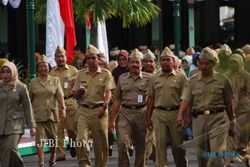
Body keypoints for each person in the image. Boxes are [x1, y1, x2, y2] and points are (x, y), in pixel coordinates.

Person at [176, 47, 236, 167]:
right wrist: (180, 115)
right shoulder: (192, 81)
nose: (202, 66)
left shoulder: (223, 80)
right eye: (200, 63)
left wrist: (232, 120)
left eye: (206, 64)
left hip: (218, 119)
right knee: (202, 158)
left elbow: (228, 103)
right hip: (199, 120)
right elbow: (186, 99)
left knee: (216, 155)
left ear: (213, 64)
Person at [72, 44, 115, 167]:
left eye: (94, 58)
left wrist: (105, 106)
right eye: (89, 58)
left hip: (100, 110)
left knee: (101, 144)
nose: (91, 60)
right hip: (84, 111)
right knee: (81, 140)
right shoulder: (80, 74)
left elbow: (108, 92)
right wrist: (79, 93)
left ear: (98, 59)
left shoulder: (106, 74)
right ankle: (84, 164)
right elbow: (75, 95)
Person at [147, 47, 188, 167]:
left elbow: (185, 98)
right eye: (163, 60)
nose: (165, 62)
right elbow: (150, 98)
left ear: (173, 61)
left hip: (175, 113)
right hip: (158, 113)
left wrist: (185, 116)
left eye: (168, 60)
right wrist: (148, 117)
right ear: (160, 61)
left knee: (177, 146)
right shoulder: (154, 78)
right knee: (160, 145)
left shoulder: (181, 77)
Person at [110, 49, 152, 167]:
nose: (135, 65)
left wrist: (150, 117)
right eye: (132, 62)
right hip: (125, 114)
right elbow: (117, 100)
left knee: (141, 145)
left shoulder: (149, 78)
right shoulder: (122, 78)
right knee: (122, 142)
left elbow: (152, 99)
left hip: (141, 113)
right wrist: (113, 119)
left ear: (141, 64)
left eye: (137, 62)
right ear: (129, 63)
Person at [29, 55, 66, 167]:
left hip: (52, 114)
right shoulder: (33, 82)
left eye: (45, 66)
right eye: (41, 66)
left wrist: (63, 108)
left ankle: (53, 155)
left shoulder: (55, 80)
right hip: (38, 115)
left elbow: (59, 96)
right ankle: (41, 161)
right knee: (39, 140)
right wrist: (29, 117)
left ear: (49, 68)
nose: (43, 68)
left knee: (53, 139)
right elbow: (29, 99)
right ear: (38, 68)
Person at [0, 61, 36, 167]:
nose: (6, 75)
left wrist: (32, 126)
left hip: (15, 125)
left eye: (8, 72)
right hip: (1, 124)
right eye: (3, 72)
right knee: (3, 151)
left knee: (11, 149)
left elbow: (27, 107)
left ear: (14, 72)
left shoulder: (21, 87)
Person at [49, 46, 78, 161]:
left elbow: (79, 86)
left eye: (62, 56)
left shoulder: (73, 70)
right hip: (56, 103)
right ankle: (60, 154)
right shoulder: (51, 72)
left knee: (72, 128)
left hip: (70, 101)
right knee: (58, 130)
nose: (60, 59)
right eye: (58, 57)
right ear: (55, 59)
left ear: (66, 57)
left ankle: (73, 144)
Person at [226, 54, 250, 166]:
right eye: (231, 62)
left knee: (244, 134)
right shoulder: (227, 76)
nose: (233, 64)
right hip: (231, 108)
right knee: (231, 132)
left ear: (240, 63)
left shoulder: (246, 76)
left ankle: (245, 151)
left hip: (244, 108)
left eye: (235, 62)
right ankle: (231, 154)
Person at [142, 49, 157, 162]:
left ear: (155, 62)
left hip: (159, 112)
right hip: (142, 112)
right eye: (145, 61)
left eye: (150, 61)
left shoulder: (161, 75)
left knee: (154, 140)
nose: (148, 63)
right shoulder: (138, 76)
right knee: (147, 139)